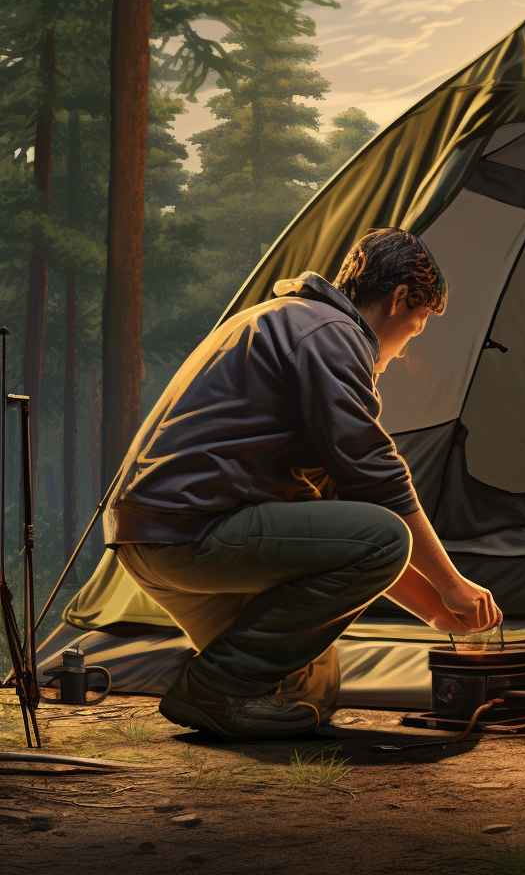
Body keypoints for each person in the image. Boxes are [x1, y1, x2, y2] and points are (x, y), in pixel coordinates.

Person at [103, 228, 501, 740]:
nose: (404, 351)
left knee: (310, 681)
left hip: (149, 539)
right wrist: (453, 586)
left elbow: (342, 522)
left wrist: (434, 612)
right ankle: (215, 685)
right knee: (385, 535)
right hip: (193, 534)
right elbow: (378, 483)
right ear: (399, 298)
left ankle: (229, 707)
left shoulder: (287, 321)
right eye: (415, 328)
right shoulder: (330, 334)